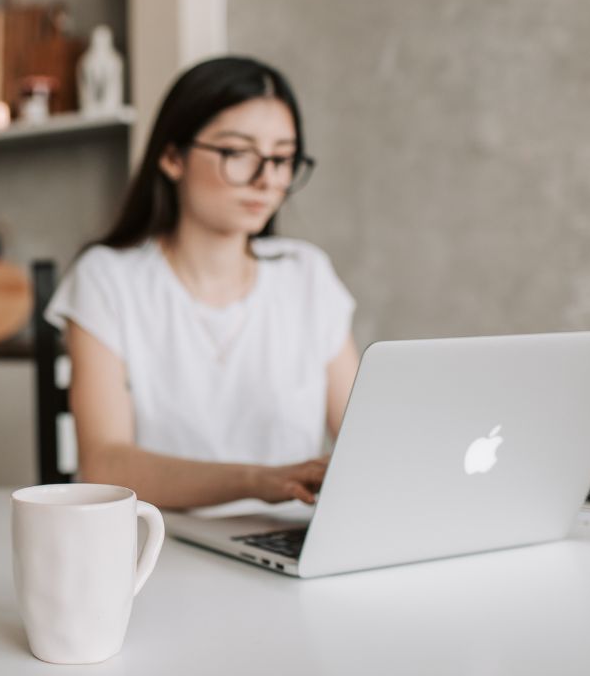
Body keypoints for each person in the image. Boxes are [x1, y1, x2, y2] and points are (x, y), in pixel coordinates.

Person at [44, 56, 359, 510]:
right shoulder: (107, 279)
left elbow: (361, 440)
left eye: (283, 158)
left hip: (287, 545)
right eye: (238, 153)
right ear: (173, 157)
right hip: (157, 547)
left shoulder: (307, 275)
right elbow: (105, 464)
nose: (267, 179)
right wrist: (258, 480)